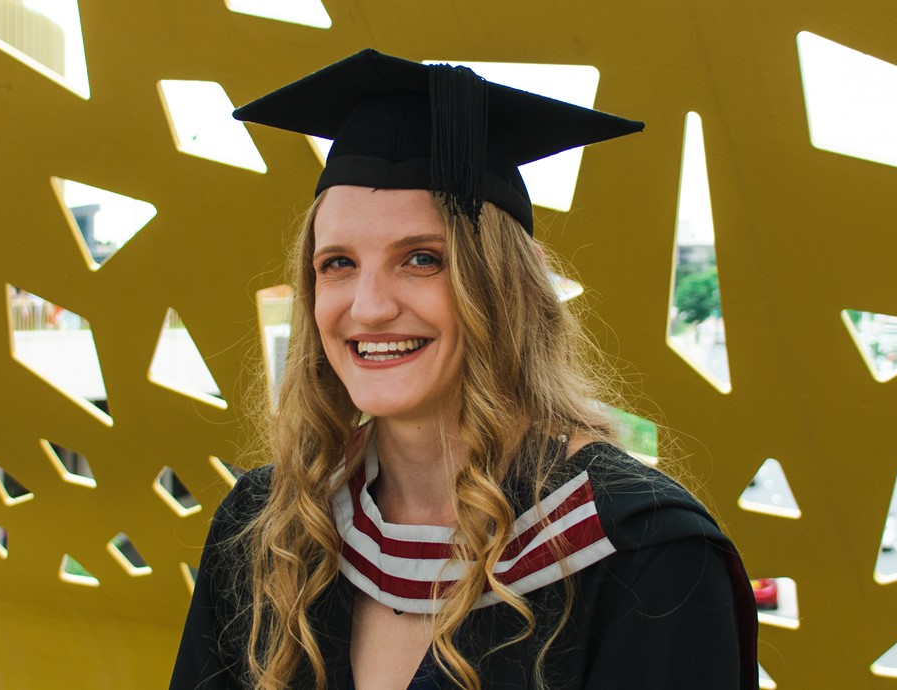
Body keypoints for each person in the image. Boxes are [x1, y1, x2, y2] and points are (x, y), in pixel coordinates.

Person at [170, 49, 757, 690]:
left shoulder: (645, 561)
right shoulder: (269, 528)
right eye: (337, 263)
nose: (367, 308)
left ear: (511, 283)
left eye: (421, 259)